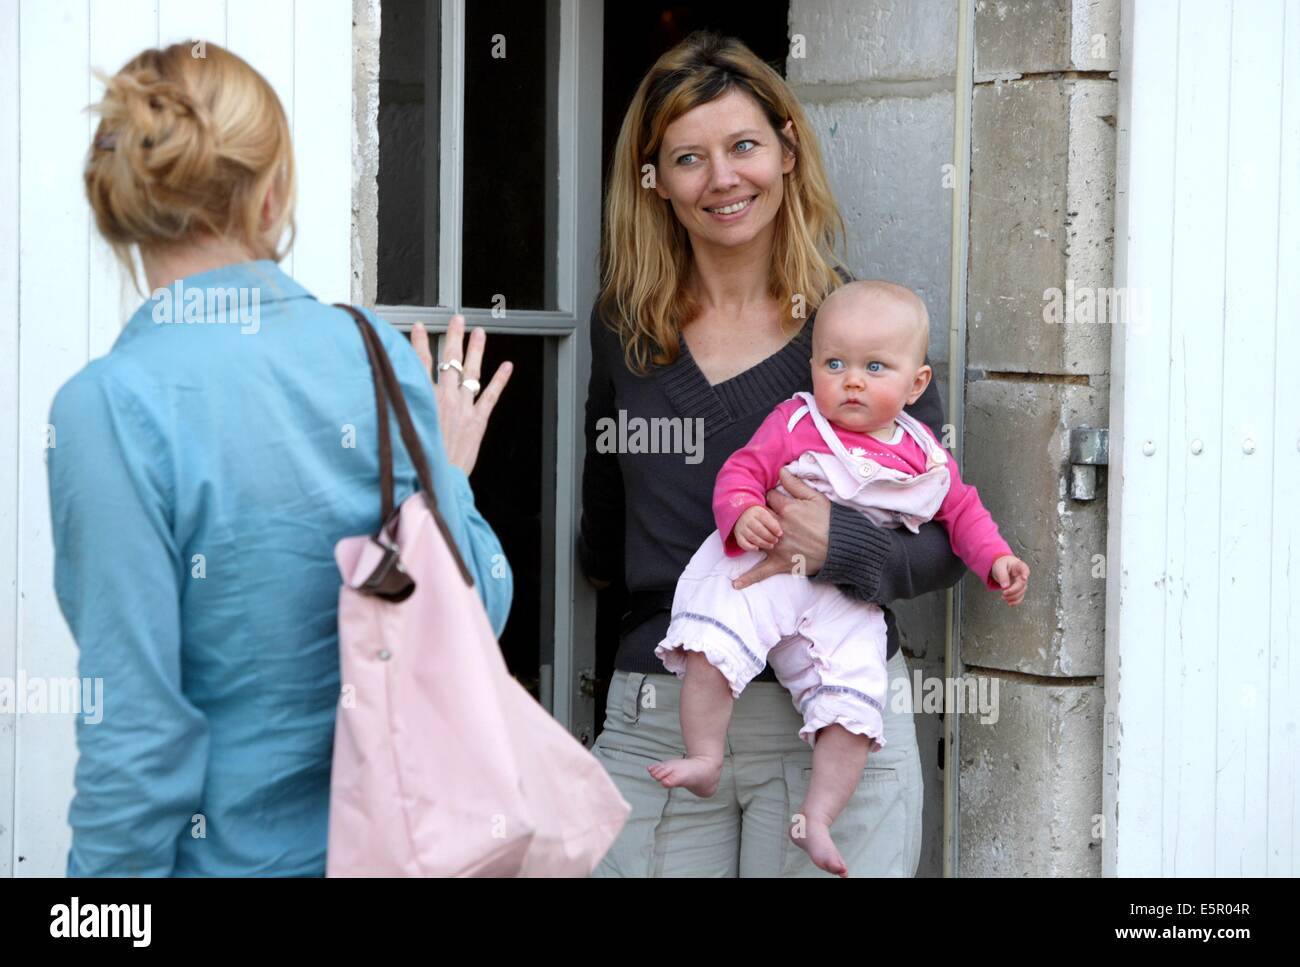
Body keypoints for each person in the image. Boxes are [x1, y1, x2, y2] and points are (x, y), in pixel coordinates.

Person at [50, 41, 512, 875]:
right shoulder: (373, 351)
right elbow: (481, 604)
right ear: (273, 196)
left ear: (120, 206)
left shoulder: (108, 409)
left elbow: (138, 745)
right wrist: (453, 482)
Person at [579, 31, 969, 877]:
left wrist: (843, 546)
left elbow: (946, 540)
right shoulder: (628, 330)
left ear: (787, 150)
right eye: (688, 157)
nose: (722, 178)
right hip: (663, 718)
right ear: (653, 183)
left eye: (744, 145)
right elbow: (602, 540)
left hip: (832, 720)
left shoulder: (861, 333)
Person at [649, 280, 1030, 876]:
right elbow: (741, 470)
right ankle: (703, 755)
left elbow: (961, 513)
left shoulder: (924, 451)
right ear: (812, 368)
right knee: (711, 642)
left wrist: (997, 559)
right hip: (765, 566)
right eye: (835, 364)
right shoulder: (798, 422)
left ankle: (819, 816)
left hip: (845, 597)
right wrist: (744, 510)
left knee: (854, 699)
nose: (852, 380)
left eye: (875, 367)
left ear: (916, 384)